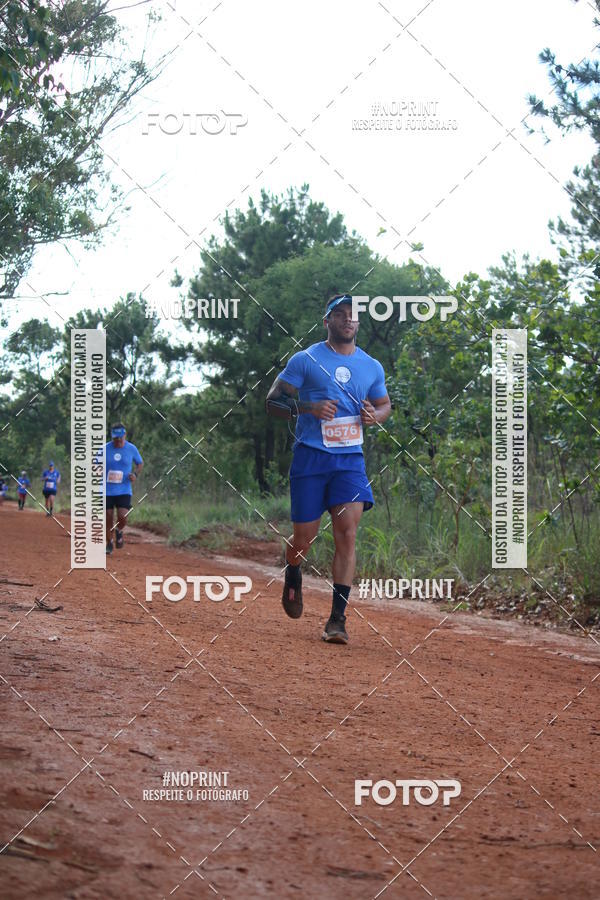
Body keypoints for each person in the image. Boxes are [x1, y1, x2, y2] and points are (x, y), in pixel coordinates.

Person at [266, 293, 391, 644]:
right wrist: (307, 408)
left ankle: (337, 618)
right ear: (328, 321)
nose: (348, 319)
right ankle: (293, 569)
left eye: (354, 315)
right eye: (341, 314)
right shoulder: (305, 360)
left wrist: (374, 417)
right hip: (310, 458)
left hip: (349, 461)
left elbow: (384, 405)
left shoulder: (371, 366)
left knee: (347, 532)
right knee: (304, 539)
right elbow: (273, 402)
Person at [103, 423, 143, 555]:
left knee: (123, 516)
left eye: (120, 438)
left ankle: (119, 530)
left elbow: (139, 463)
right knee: (108, 516)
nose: (118, 441)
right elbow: (95, 464)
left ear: (124, 435)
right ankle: (109, 543)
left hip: (124, 489)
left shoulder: (131, 449)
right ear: (112, 437)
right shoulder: (104, 449)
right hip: (107, 490)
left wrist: (135, 474)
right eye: (115, 438)